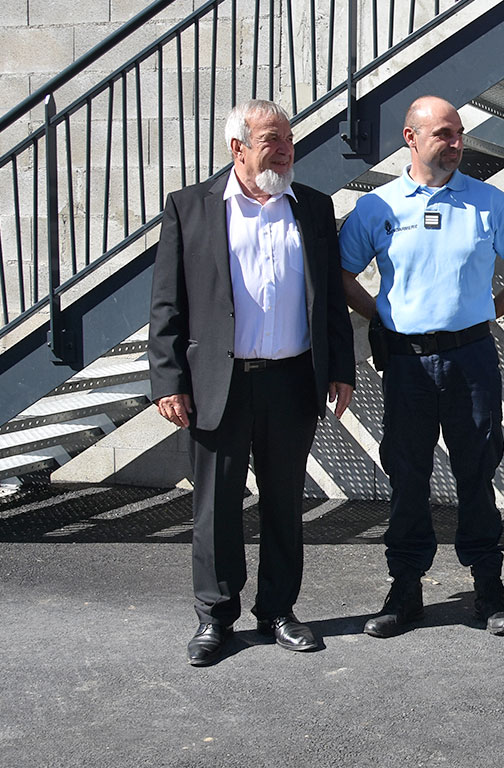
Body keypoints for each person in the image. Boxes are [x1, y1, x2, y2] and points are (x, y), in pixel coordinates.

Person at [149, 99, 356, 666]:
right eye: (272, 140)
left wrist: (341, 367)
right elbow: (168, 304)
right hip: (220, 382)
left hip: (292, 382)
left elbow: (330, 300)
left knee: (285, 504)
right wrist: (169, 378)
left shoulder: (312, 208)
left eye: (288, 140)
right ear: (237, 148)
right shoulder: (190, 208)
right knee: (215, 508)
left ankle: (278, 612)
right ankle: (215, 618)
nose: (286, 149)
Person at [339, 95, 504, 638]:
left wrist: (487, 312)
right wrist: (378, 312)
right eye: (443, 135)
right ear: (410, 138)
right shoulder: (376, 208)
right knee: (407, 473)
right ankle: (405, 587)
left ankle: (488, 585)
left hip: (471, 357)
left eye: (458, 134)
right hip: (406, 362)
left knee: (477, 469)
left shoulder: (488, 202)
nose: (455, 144)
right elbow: (339, 273)